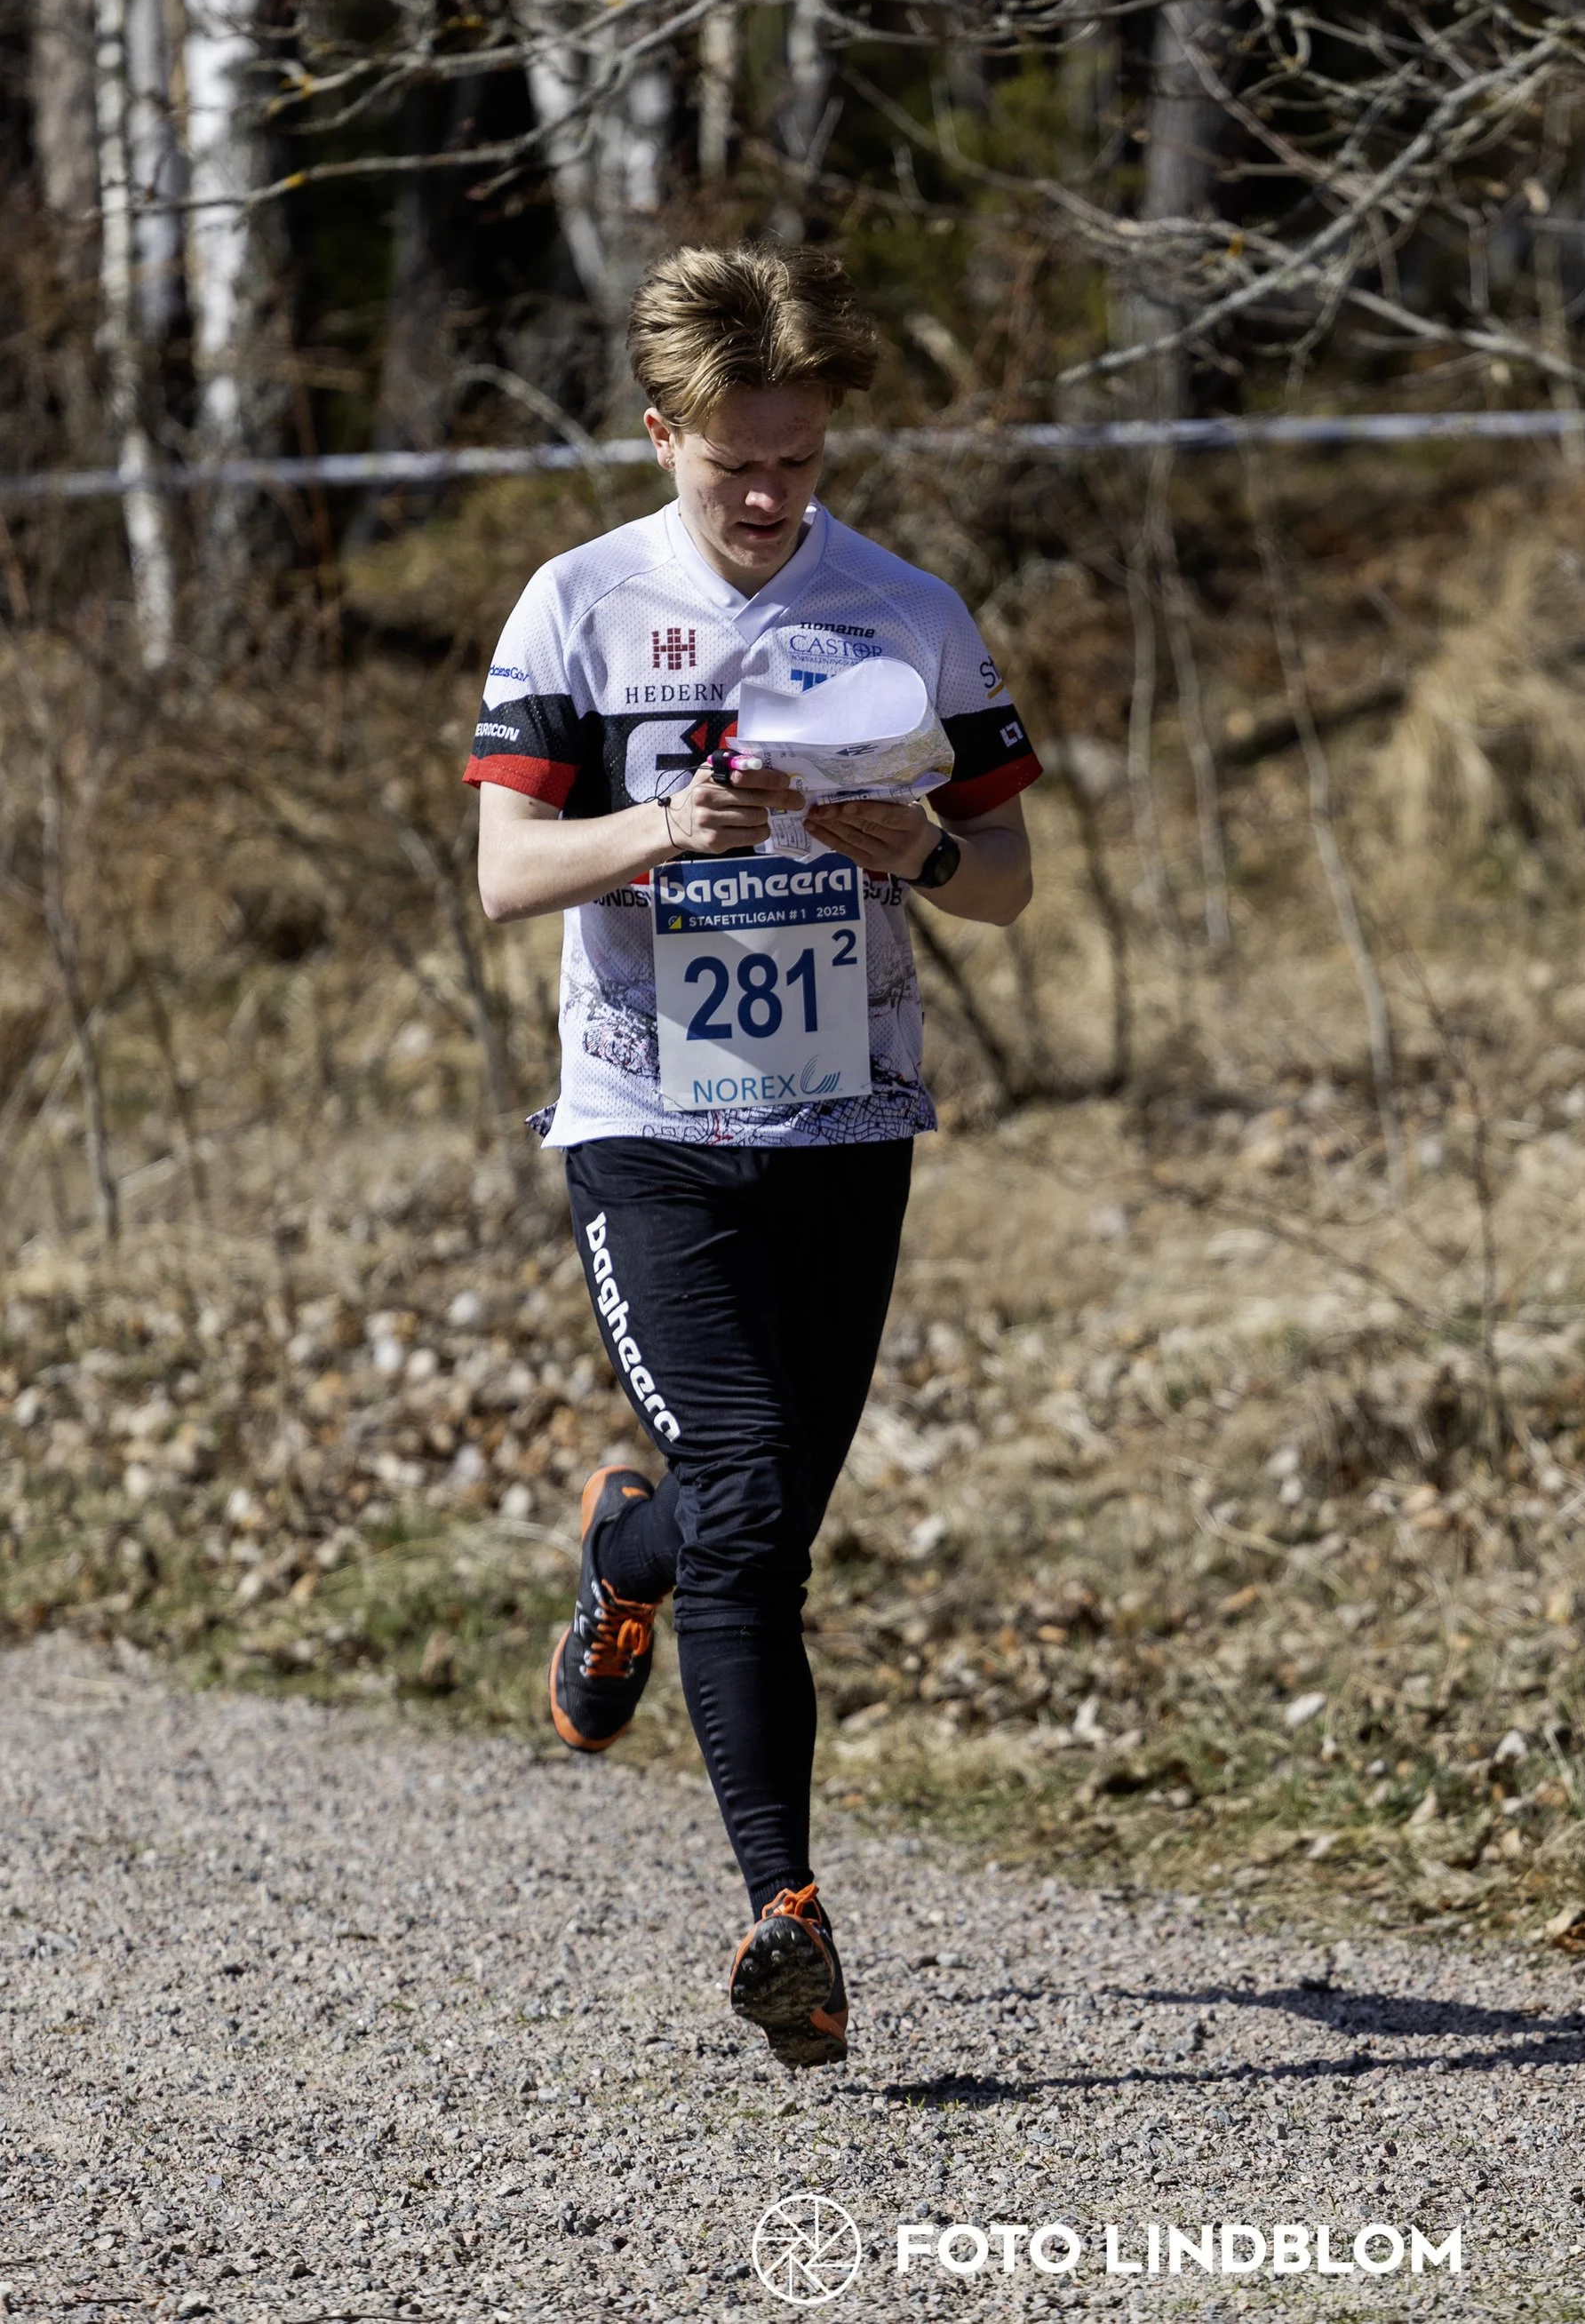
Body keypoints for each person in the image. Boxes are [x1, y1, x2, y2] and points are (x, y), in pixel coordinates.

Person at [466, 243, 1039, 2070]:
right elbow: (503, 875)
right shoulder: (571, 609)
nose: (775, 497)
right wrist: (655, 824)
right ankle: (783, 1910)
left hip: (845, 1120)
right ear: (663, 439)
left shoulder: (905, 611)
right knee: (749, 1473)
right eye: (737, 467)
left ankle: (620, 1558)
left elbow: (1010, 877)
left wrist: (918, 852)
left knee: (755, 1513)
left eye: (800, 459)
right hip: (646, 1123)